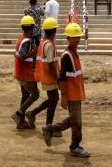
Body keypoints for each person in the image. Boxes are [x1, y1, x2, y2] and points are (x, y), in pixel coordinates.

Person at [42, 23, 90, 158]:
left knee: (73, 119)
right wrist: (63, 96)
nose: (77, 40)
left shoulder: (73, 53)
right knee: (77, 122)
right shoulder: (68, 55)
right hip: (71, 94)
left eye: (78, 37)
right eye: (74, 37)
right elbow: (61, 78)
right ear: (68, 38)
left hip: (76, 93)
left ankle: (50, 129)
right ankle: (75, 146)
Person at [27, 18, 62, 135]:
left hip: (44, 76)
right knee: (53, 102)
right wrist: (57, 77)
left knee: (53, 100)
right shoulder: (49, 45)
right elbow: (51, 64)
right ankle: (48, 128)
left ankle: (33, 114)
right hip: (50, 77)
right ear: (54, 30)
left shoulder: (43, 42)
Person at [11, 15, 40, 130]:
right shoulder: (27, 41)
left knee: (26, 95)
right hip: (26, 74)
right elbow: (22, 55)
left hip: (20, 73)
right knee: (35, 94)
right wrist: (32, 51)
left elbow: (16, 54)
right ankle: (19, 114)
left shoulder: (21, 38)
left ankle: (21, 121)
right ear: (32, 28)